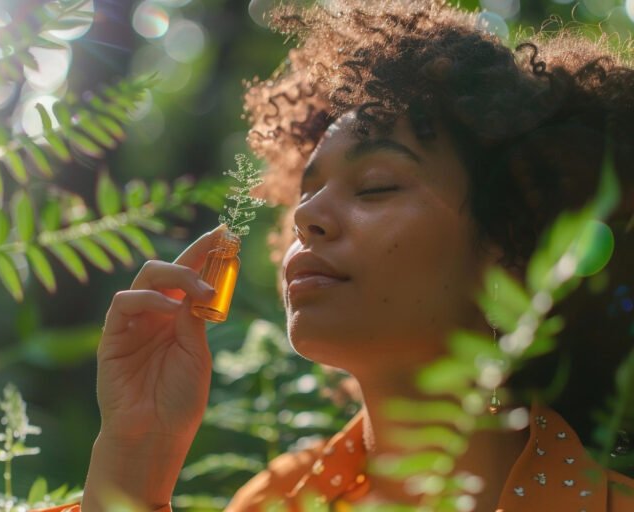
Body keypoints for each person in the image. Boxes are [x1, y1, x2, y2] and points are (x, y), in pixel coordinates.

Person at [35, 0, 634, 510]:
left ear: (510, 246)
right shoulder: (274, 498)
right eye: (306, 191)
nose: (304, 216)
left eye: (375, 185)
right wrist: (137, 451)